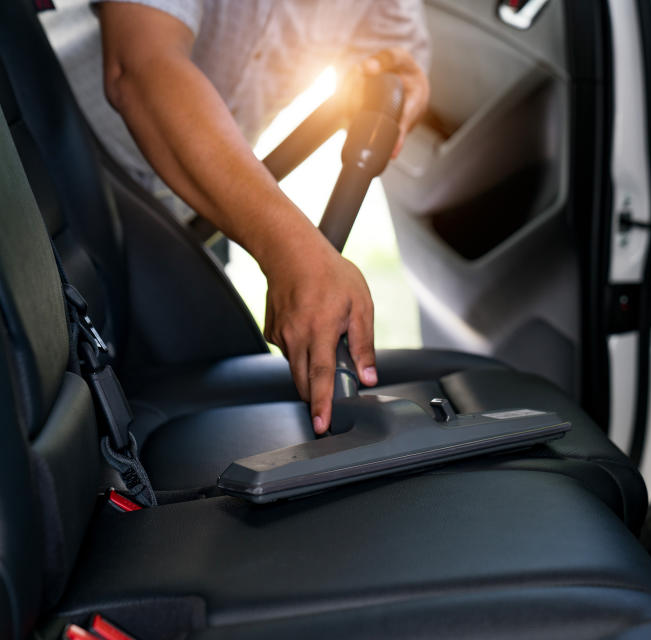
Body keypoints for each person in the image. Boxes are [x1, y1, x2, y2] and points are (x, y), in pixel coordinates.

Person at [55, 0, 431, 435]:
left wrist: (396, 85)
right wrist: (293, 250)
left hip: (202, 195)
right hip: (64, 161)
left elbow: (392, 67)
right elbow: (137, 66)